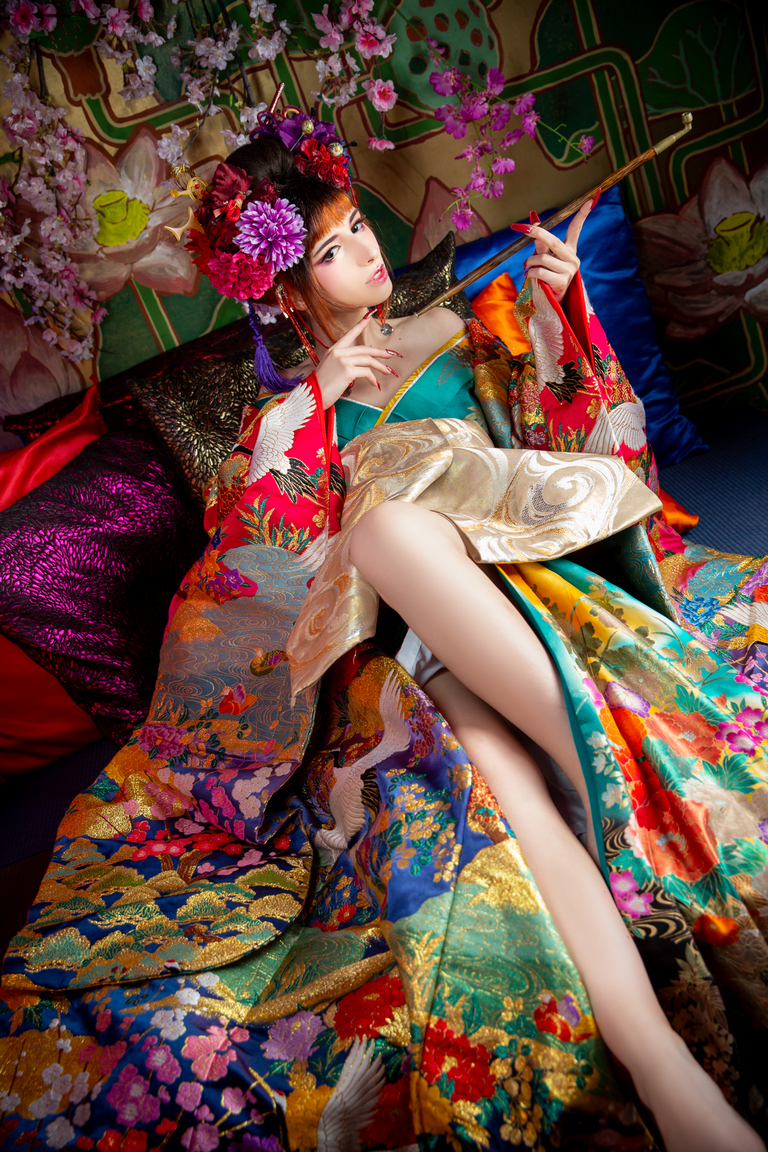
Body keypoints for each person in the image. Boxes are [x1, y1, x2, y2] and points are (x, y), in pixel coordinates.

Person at [2, 113, 767, 1151]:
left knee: (402, 532)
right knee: (475, 750)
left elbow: (592, 461)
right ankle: (671, 1079)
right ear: (288, 288)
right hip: (414, 651)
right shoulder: (280, 428)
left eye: (359, 225)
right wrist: (311, 412)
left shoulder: (463, 328)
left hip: (530, 580)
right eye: (331, 248)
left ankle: (598, 774)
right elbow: (254, 598)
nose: (365, 252)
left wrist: (559, 306)